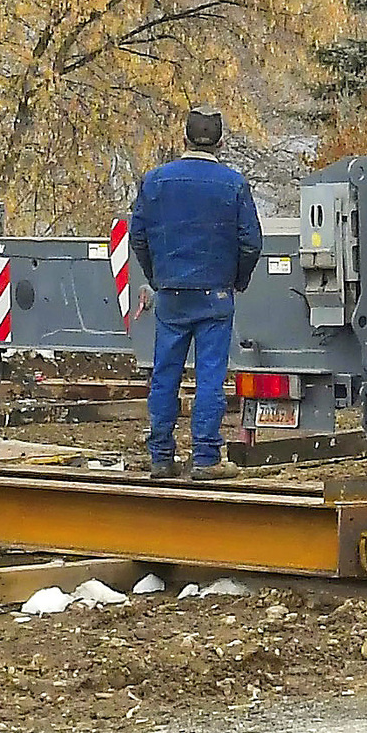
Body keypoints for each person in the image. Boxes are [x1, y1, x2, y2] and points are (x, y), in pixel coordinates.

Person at [127, 107, 264, 479]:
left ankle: (161, 457)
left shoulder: (155, 181)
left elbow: (137, 235)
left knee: (165, 375)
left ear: (183, 138)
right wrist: (237, 279)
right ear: (220, 143)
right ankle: (205, 458)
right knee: (210, 377)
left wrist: (157, 276)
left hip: (171, 293)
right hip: (214, 294)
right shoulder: (233, 183)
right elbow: (251, 242)